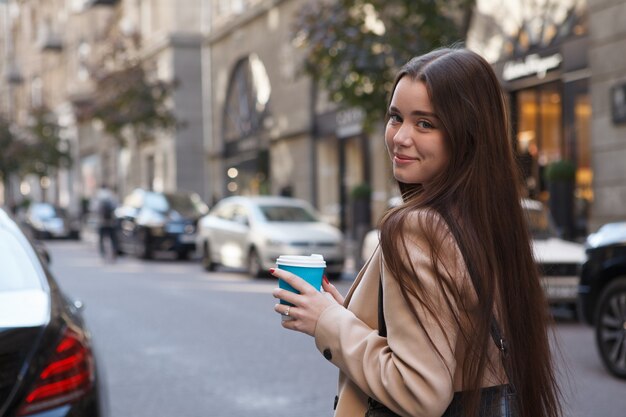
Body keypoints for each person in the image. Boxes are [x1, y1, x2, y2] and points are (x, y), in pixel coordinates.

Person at [271, 47, 562, 417]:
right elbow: (455, 338)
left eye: (425, 123)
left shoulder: (415, 227)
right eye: (396, 118)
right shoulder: (487, 217)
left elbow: (420, 391)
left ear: (467, 136)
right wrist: (342, 311)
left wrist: (327, 322)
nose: (400, 137)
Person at [93, 184, 119, 259]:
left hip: (101, 222)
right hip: (111, 222)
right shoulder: (111, 196)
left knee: (101, 239)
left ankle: (103, 254)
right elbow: (116, 207)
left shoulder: (98, 196)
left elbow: (94, 208)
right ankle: (114, 253)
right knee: (113, 239)